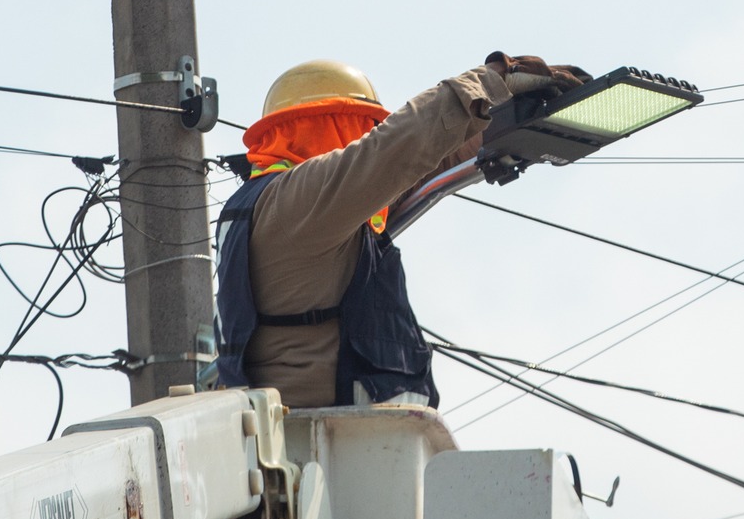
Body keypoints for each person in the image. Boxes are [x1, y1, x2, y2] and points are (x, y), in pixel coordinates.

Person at [213, 53, 588, 410]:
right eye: (361, 126)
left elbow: (420, 163)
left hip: (342, 439)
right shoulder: (299, 201)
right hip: (331, 443)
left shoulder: (288, 208)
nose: (366, 136)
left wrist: (505, 120)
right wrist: (492, 80)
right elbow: (394, 149)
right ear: (324, 125)